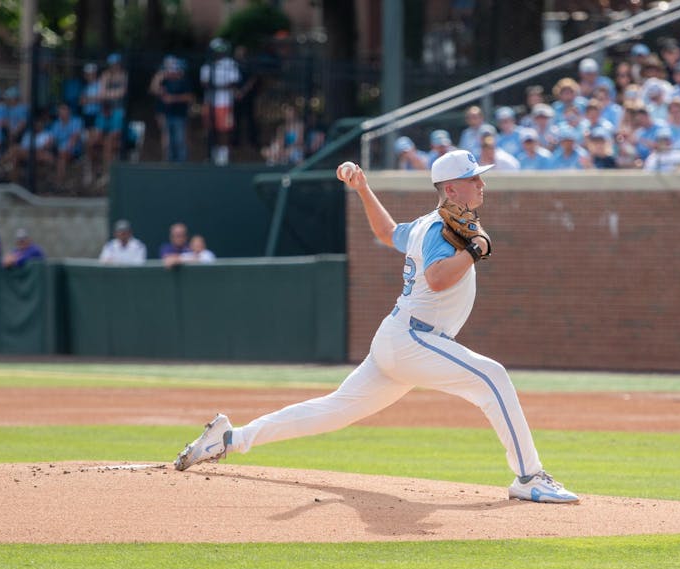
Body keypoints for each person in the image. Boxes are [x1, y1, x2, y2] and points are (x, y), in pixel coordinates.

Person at [173, 149, 580, 504]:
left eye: (480, 177)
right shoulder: (440, 228)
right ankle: (529, 477)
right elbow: (438, 278)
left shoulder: (426, 223)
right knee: (493, 377)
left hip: (401, 338)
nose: (481, 183)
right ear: (451, 189)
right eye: (473, 178)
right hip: (414, 340)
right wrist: (474, 251)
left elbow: (387, 233)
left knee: (334, 410)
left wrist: (363, 189)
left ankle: (230, 439)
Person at [201, 38, 241, 165]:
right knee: (210, 128)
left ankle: (223, 155)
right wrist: (219, 85)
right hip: (209, 102)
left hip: (224, 102)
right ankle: (211, 154)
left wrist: (218, 86)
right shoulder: (207, 65)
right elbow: (205, 83)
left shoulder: (230, 64)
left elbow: (232, 82)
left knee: (224, 130)